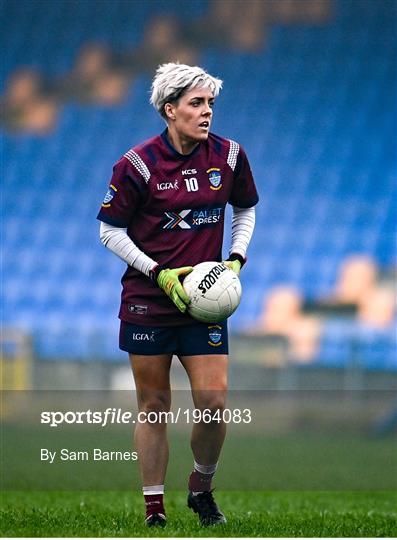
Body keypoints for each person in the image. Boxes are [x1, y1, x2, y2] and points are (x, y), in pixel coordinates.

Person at [97, 62, 258, 527]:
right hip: (148, 303)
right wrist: (158, 272)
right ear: (170, 110)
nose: (207, 112)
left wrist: (236, 259)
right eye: (196, 103)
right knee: (153, 405)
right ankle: (153, 510)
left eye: (210, 103)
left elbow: (245, 209)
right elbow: (109, 231)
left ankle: (201, 488)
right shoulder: (137, 165)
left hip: (204, 302)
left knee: (214, 402)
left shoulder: (229, 157)